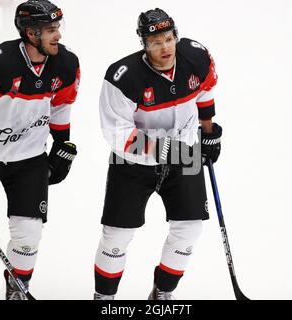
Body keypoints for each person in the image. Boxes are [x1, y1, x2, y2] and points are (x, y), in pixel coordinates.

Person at [0, 0, 79, 300]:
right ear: (30, 33)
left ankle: (16, 290)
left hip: (29, 158)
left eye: (58, 28)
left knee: (29, 234)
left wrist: (62, 142)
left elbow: (62, 103)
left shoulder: (67, 63)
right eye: (50, 30)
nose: (58, 35)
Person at [94, 8, 222, 300]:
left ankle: (162, 292)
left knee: (189, 228)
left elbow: (205, 90)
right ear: (144, 45)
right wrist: (169, 150)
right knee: (117, 235)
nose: (164, 47)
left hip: (185, 153)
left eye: (168, 38)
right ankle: (104, 298)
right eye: (155, 42)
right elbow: (117, 135)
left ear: (176, 36)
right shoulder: (121, 77)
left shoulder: (196, 56)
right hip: (132, 162)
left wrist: (209, 130)